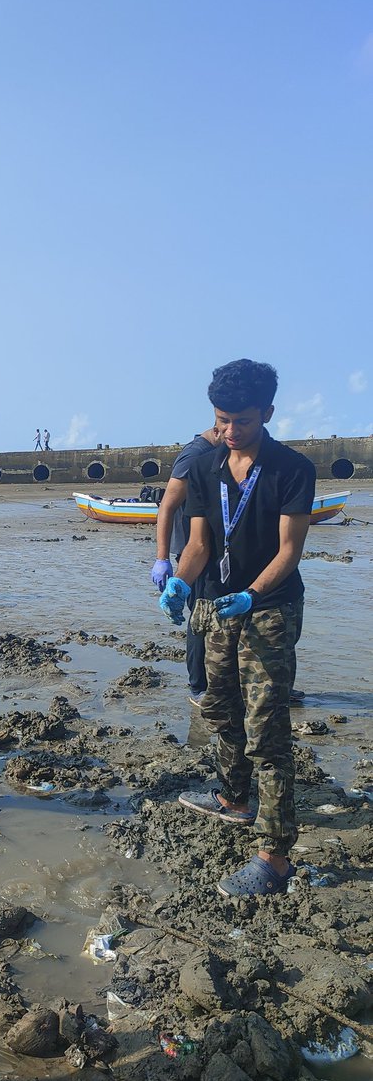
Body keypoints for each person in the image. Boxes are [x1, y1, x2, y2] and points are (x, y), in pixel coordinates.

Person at [158, 360, 314, 898]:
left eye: (241, 421)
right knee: (218, 704)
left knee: (267, 728)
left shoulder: (292, 468)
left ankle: (274, 857)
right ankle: (234, 799)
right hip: (216, 603)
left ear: (267, 413)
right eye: (221, 420)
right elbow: (200, 544)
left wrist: (253, 594)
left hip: (269, 609)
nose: (229, 431)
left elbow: (290, 551)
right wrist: (179, 581)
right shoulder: (206, 467)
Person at [151, 428, 218, 704]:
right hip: (192, 550)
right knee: (199, 616)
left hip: (214, 547)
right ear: (218, 428)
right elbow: (166, 505)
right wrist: (162, 557)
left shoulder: (221, 452)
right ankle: (197, 686)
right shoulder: (194, 455)